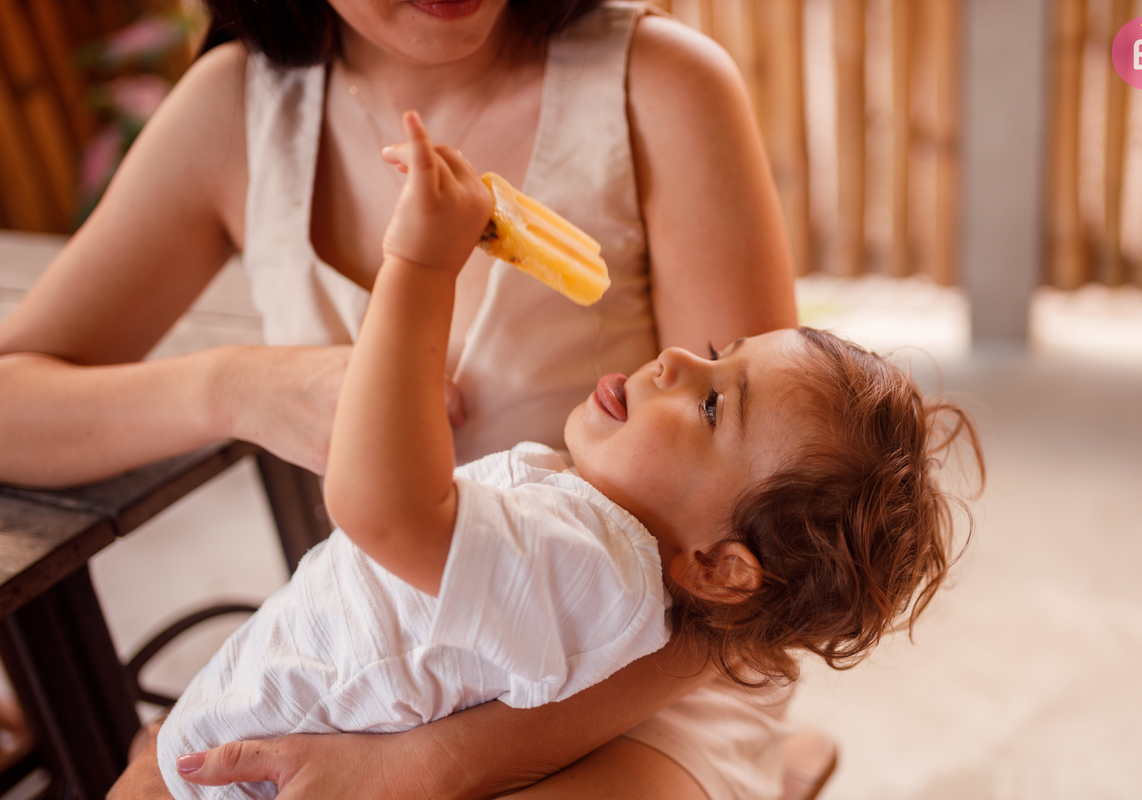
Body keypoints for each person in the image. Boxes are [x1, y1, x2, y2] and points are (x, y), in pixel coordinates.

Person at [1, 0, 803, 797]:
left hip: (650, 676)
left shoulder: (658, 85)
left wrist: (432, 765)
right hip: (397, 665)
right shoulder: (235, 110)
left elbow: (761, 574)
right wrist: (235, 388)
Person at [156, 114, 982, 800]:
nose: (674, 360)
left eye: (711, 405)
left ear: (719, 567)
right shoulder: (599, 538)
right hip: (249, 721)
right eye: (714, 353)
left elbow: (384, 510)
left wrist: (421, 267)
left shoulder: (588, 565)